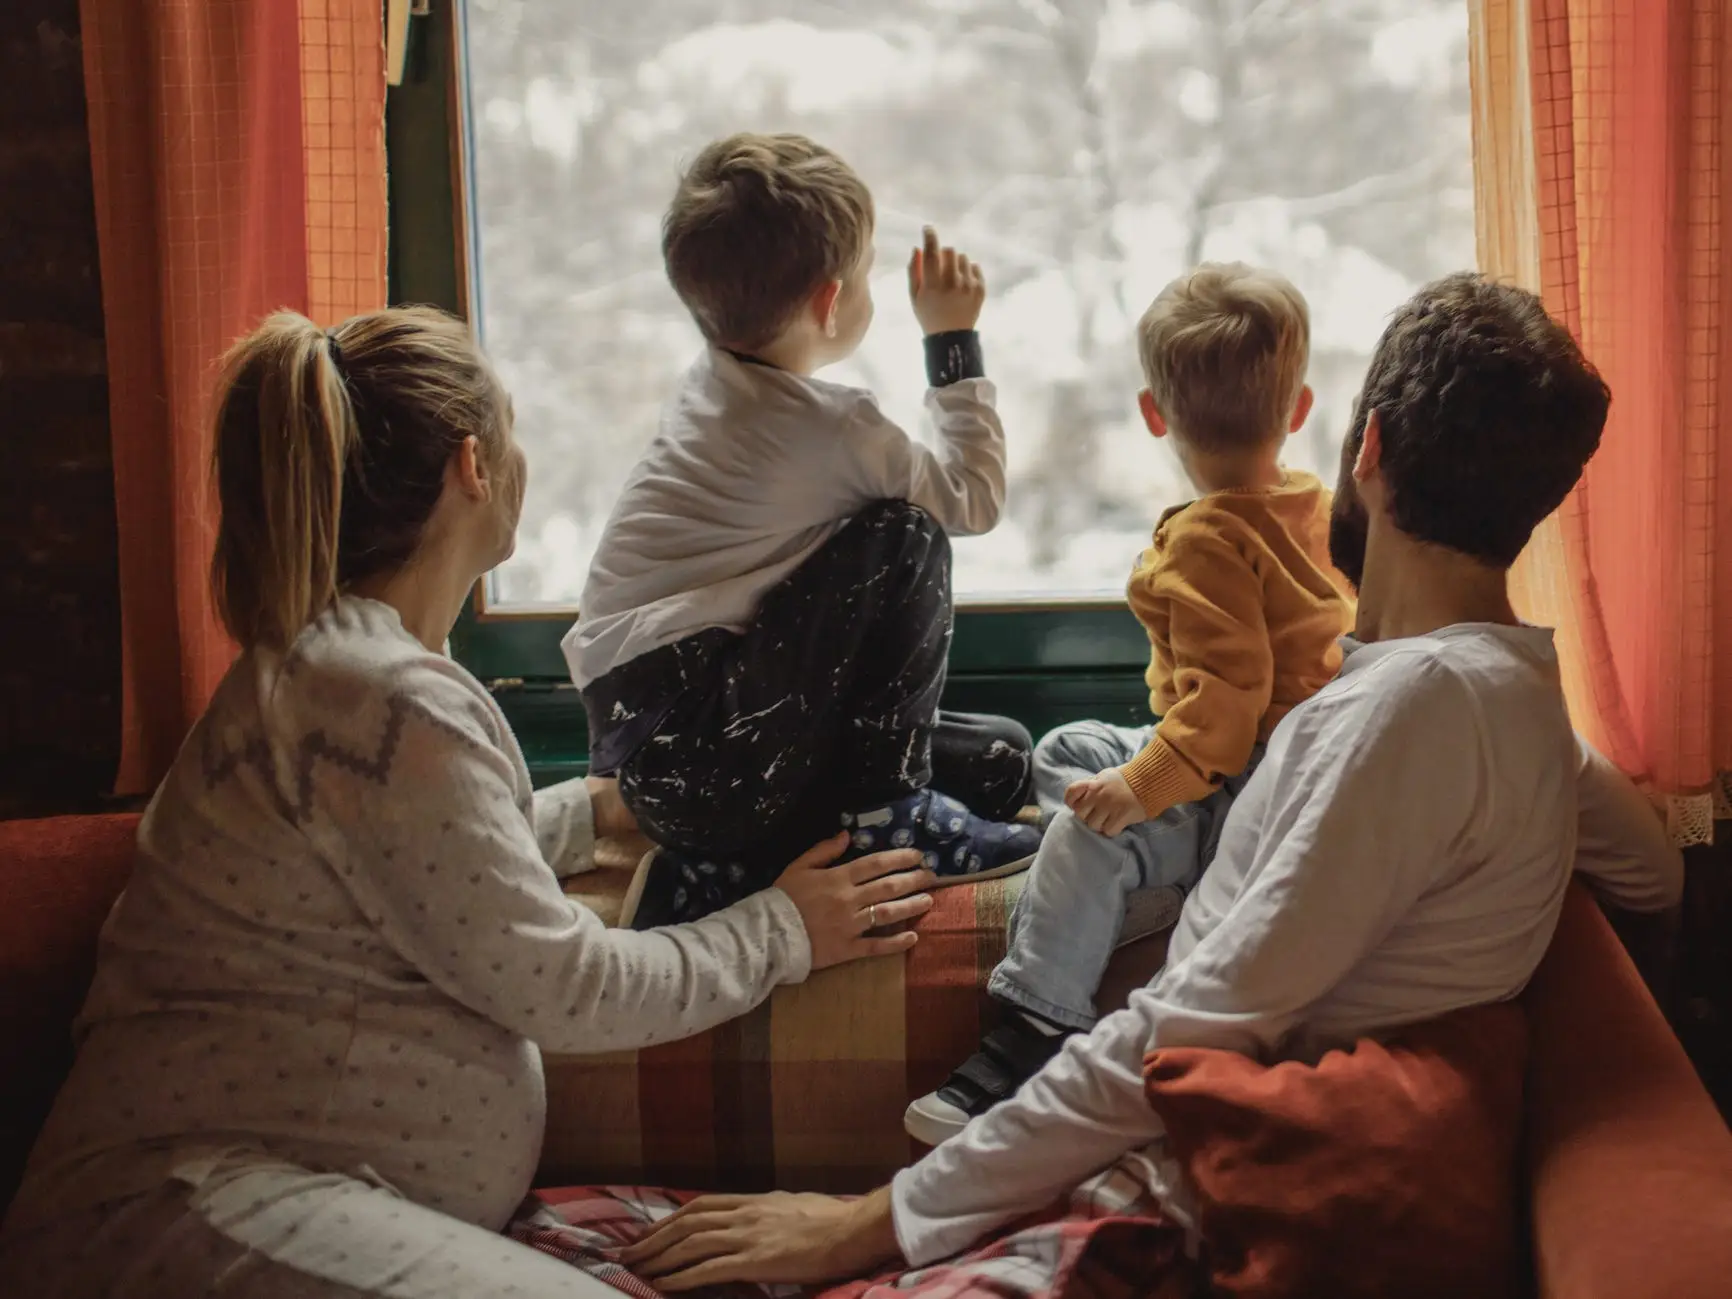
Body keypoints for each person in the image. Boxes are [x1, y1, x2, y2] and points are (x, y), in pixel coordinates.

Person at [611, 274, 1685, 1292]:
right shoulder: (1513, 697)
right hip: (1169, 1154)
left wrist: (871, 1219)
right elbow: (1652, 875)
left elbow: (1196, 1018)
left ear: (1368, 448)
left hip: (1191, 1191)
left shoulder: (1418, 708)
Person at [0, 306, 940, 1299]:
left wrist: (596, 810)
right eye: (512, 433)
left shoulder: (352, 676)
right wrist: (783, 931)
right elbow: (562, 988)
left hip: (276, 1197)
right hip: (199, 1209)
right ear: (471, 467)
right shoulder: (379, 698)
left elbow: (429, 874)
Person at [906, 264, 1354, 1144]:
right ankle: (1123, 879)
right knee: (1069, 747)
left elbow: (1225, 711)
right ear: (1299, 409)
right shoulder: (1313, 506)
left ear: (1154, 414)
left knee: (1086, 825)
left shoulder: (1208, 542)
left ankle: (1036, 1026)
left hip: (1239, 787)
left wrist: (1143, 790)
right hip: (1273, 756)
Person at [567, 132, 1040, 930]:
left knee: (1003, 758)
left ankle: (724, 872)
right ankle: (889, 826)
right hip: (718, 752)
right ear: (830, 303)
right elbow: (971, 498)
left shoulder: (706, 392)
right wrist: (951, 339)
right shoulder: (837, 429)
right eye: (864, 277)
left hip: (662, 768)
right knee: (904, 534)